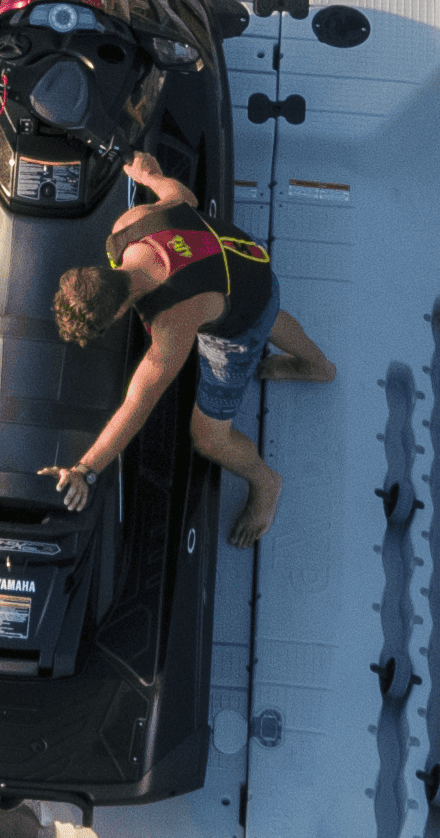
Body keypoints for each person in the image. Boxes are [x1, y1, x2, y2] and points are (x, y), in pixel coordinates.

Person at [39, 153, 331, 546]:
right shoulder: (128, 227)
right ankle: (317, 367)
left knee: (208, 436)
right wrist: (150, 176)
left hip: (238, 317)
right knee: (265, 309)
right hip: (248, 263)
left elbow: (138, 404)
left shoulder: (171, 321)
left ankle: (267, 483)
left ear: (118, 313)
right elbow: (183, 198)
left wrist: (86, 468)